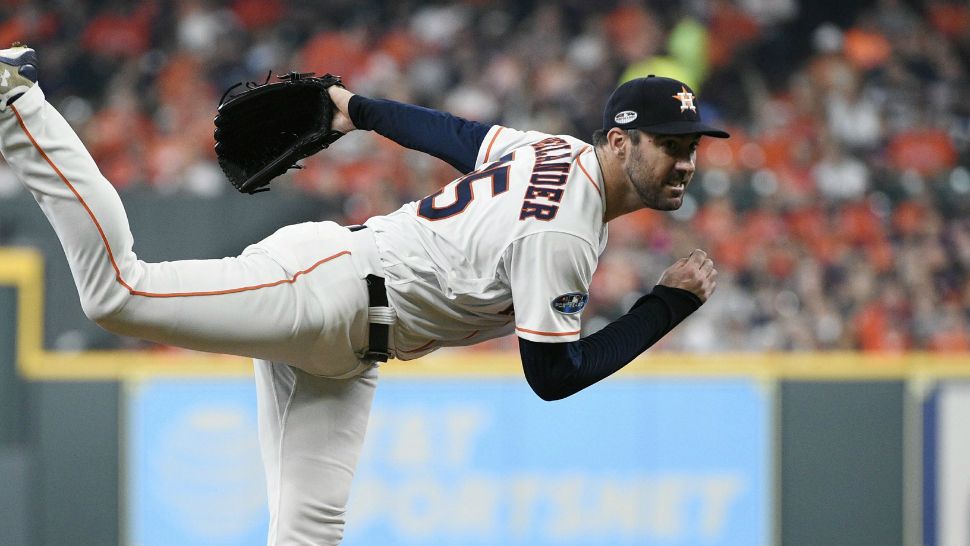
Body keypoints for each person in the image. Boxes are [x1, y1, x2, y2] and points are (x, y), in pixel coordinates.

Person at [0, 43, 726, 545]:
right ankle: (18, 105)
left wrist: (358, 107)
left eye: (692, 146)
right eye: (670, 144)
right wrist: (666, 305)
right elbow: (552, 376)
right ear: (621, 141)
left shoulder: (554, 151)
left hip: (349, 344)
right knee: (118, 293)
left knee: (308, 533)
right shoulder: (564, 231)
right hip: (329, 288)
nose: (685, 161)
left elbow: (459, 135)